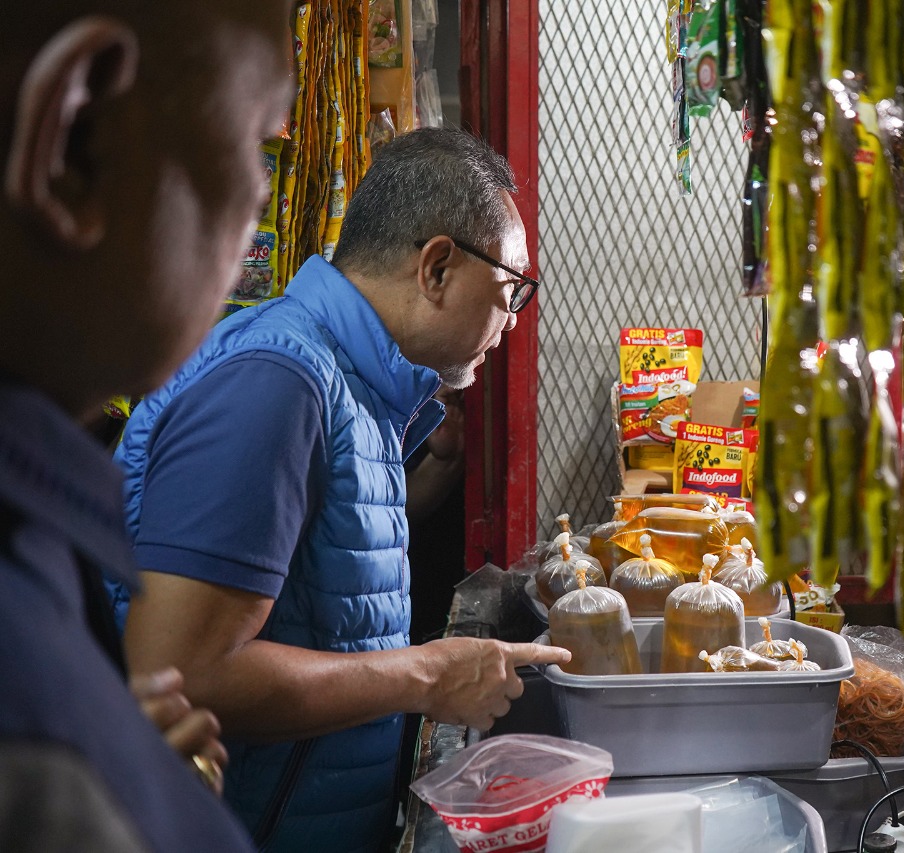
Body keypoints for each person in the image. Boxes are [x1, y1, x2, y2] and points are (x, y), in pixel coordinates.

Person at [112, 127, 571, 852]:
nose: (513, 321)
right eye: (510, 289)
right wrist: (427, 674)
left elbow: (315, 565)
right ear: (438, 266)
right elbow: (182, 672)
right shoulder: (279, 381)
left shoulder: (352, 385)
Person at [0, 1, 295, 850]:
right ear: (76, 144)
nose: (259, 195)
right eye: (257, 142)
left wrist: (115, 745)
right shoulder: (34, 743)